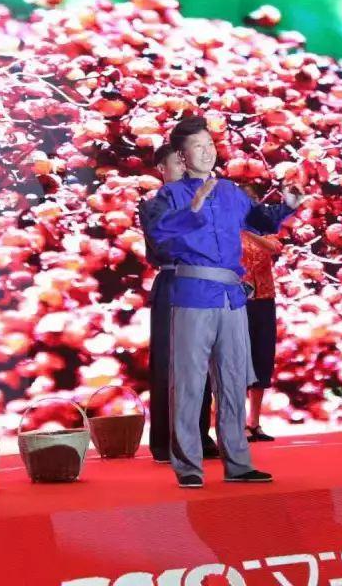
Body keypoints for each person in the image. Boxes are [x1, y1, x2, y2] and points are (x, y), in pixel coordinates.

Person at [147, 116, 302, 488]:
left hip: (232, 297)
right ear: (181, 157)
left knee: (233, 380)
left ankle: (238, 462)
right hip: (193, 294)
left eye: (210, 144)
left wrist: (287, 205)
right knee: (188, 381)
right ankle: (188, 464)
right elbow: (159, 235)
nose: (207, 152)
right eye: (198, 146)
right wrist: (193, 209)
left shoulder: (231, 191)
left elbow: (259, 220)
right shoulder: (170, 196)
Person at [137, 144, 217, 464]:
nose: (185, 168)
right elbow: (164, 246)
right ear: (161, 169)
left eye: (187, 162)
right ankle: (170, 441)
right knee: (171, 363)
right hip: (174, 283)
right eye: (177, 162)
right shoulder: (153, 205)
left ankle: (199, 435)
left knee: (201, 362)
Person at [239, 183, 282, 442]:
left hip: (264, 299)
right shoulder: (225, 230)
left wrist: (249, 231)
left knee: (262, 358)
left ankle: (254, 422)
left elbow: (274, 248)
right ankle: (237, 422)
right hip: (237, 302)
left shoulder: (265, 228)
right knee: (237, 360)